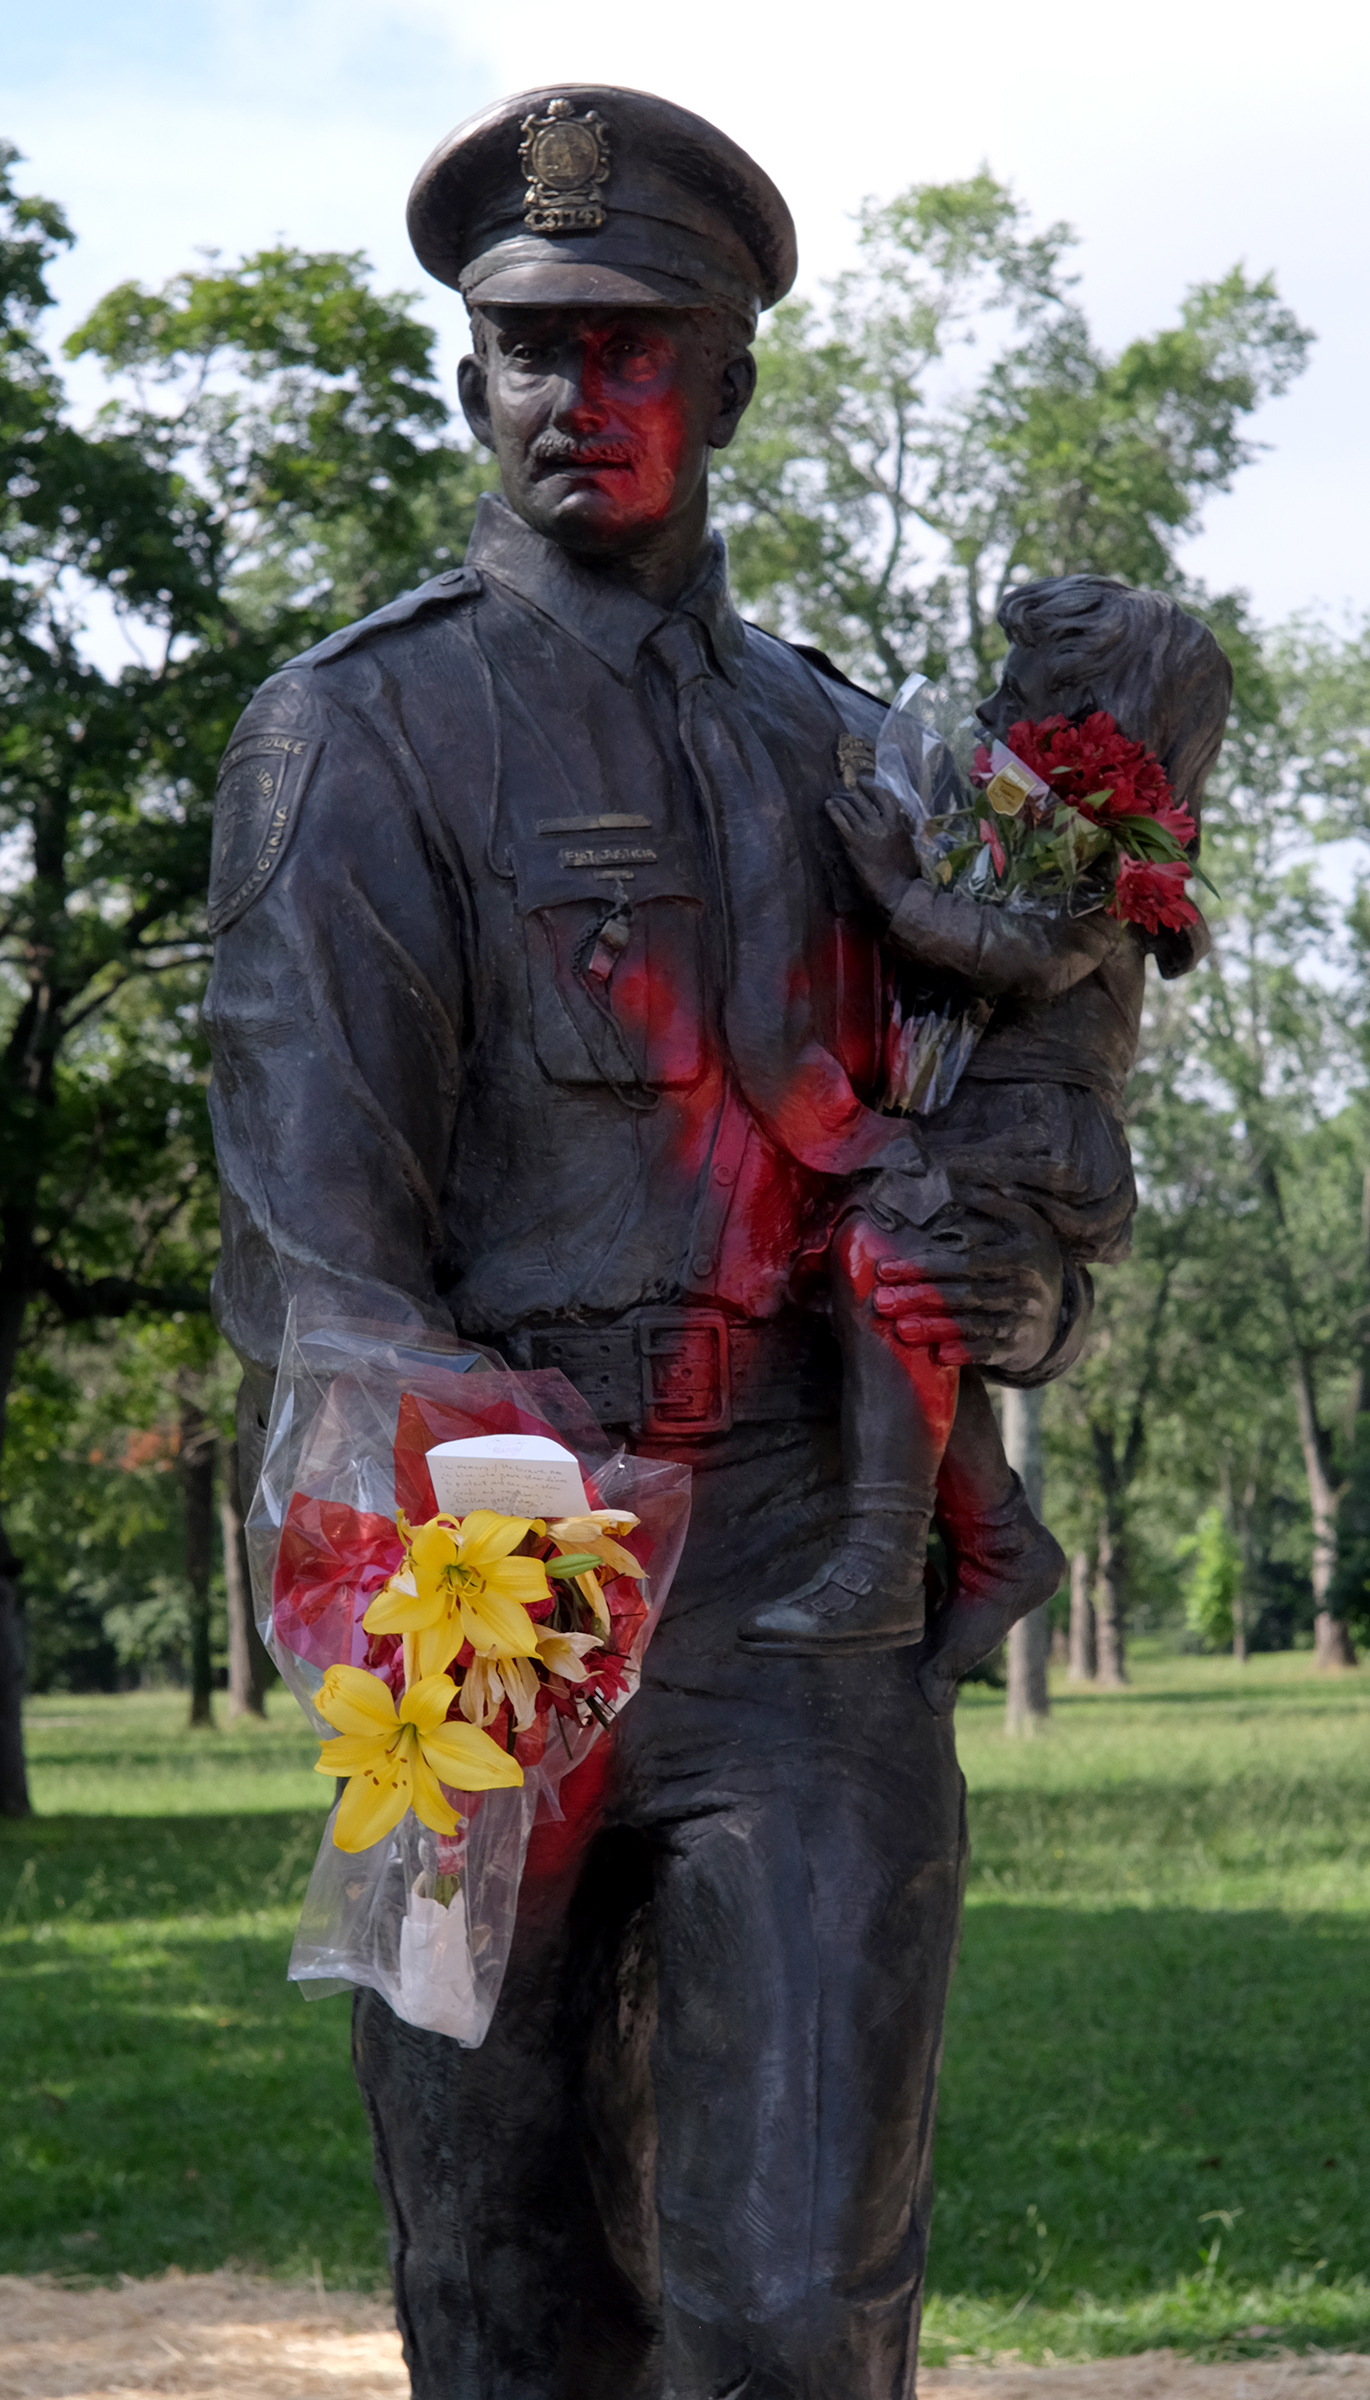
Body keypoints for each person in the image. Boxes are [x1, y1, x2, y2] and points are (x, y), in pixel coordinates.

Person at [206, 86, 1081, 2400]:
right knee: (501, 2298)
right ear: (468, 377)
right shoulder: (355, 736)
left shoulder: (867, 760)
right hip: (476, 1603)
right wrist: (467, 1548)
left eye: (630, 344)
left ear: (725, 379)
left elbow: (1003, 1106)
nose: (571, 396)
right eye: (526, 349)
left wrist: (1026, 1282)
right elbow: (310, 1243)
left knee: (793, 2310)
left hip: (805, 1601)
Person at [739, 576, 1232, 1688]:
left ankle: (881, 1558)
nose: (990, 710)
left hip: (1030, 1125)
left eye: (1016, 693)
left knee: (901, 1261)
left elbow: (1030, 958)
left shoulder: (1117, 848)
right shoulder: (1030, 823)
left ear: (1096, 727)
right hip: (983, 1112)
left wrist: (895, 892)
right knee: (910, 1298)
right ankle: (998, 1543)